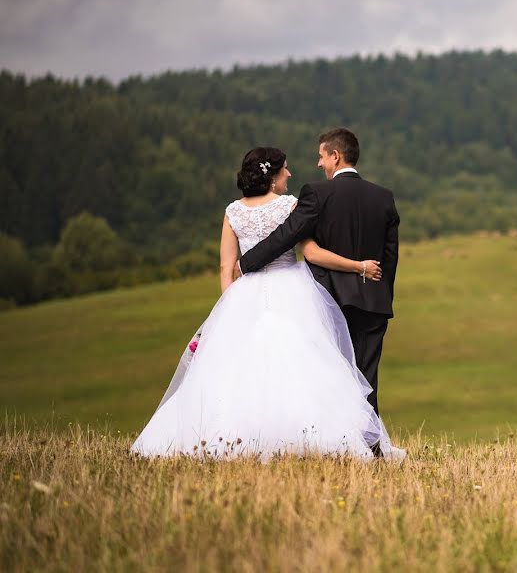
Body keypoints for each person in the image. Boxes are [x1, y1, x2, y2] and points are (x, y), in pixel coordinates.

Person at [131, 146, 404, 461]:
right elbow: (312, 254)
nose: (289, 174)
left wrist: (228, 308)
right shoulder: (289, 206)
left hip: (244, 294)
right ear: (272, 177)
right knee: (301, 365)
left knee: (238, 372)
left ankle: (229, 440)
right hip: (291, 289)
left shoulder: (233, 211)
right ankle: (307, 440)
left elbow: (225, 268)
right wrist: (359, 266)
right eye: (285, 169)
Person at [235, 128, 400, 456]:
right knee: (366, 377)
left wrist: (248, 262)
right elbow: (390, 255)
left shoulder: (318, 194)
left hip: (330, 302)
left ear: (335, 156)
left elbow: (288, 234)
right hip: (372, 301)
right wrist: (382, 295)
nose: (318, 162)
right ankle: (370, 450)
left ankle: (339, 449)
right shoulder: (383, 197)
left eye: (322, 156)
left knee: (331, 376)